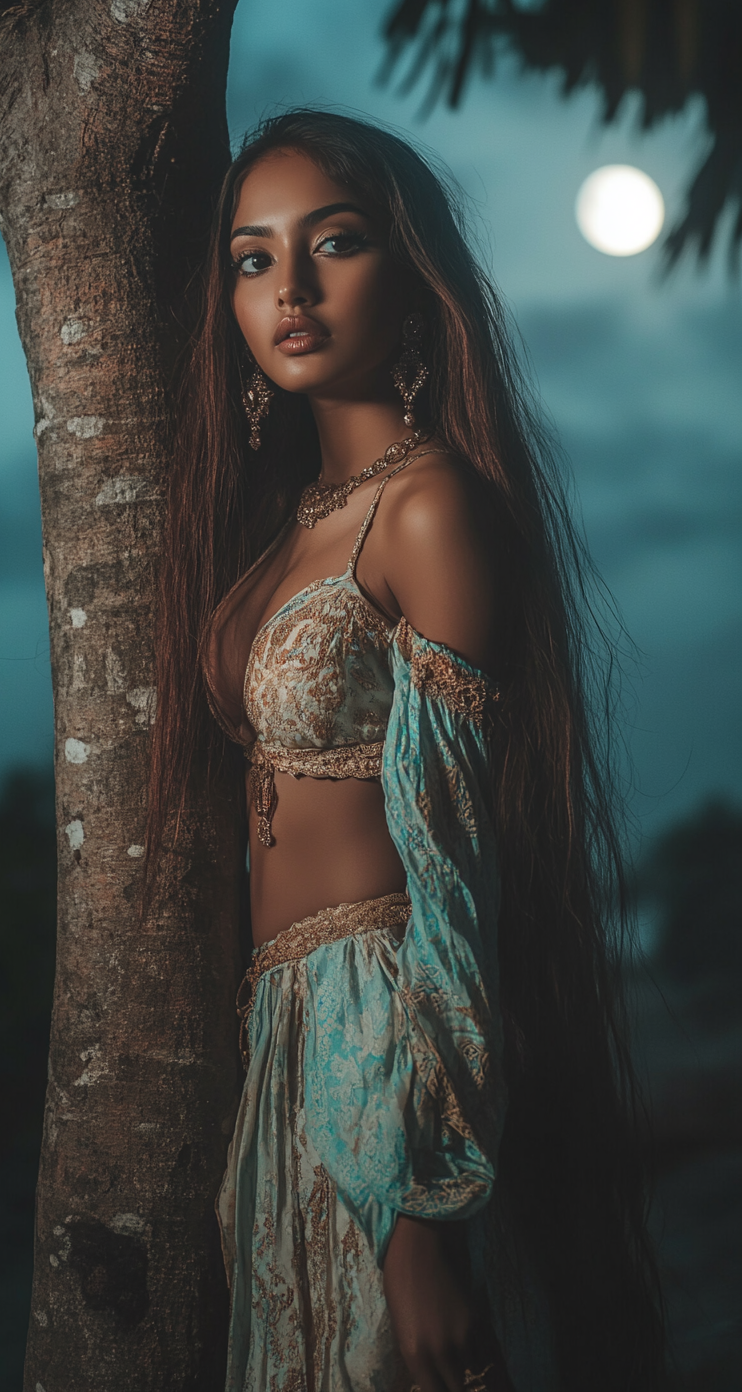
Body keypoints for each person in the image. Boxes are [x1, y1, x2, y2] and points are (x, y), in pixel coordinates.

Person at [148, 111, 664, 1392]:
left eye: (335, 243)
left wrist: (422, 1214)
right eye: (253, 259)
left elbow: (455, 869)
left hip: (385, 1030)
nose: (292, 289)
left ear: (412, 273)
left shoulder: (428, 506)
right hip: (280, 1034)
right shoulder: (281, 530)